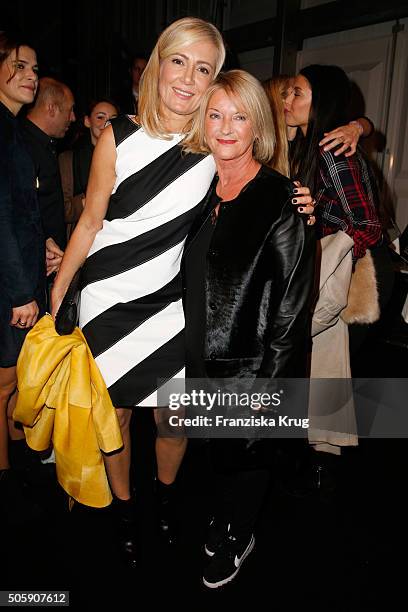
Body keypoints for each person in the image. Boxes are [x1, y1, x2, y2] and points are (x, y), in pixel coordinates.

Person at [50, 17, 314, 566]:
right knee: (115, 417)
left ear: (214, 77)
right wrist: (61, 286)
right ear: (158, 62)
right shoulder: (115, 135)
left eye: (204, 68)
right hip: (108, 298)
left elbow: (262, 153)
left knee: (173, 418)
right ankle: (124, 509)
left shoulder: (208, 141)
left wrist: (300, 197)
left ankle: (166, 498)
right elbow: (91, 220)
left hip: (171, 305)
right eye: (179, 61)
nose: (189, 78)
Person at [181, 69, 316, 588]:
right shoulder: (191, 186)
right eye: (215, 114)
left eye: (239, 116)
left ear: (257, 124)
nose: (226, 127)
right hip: (193, 352)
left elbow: (290, 312)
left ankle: (240, 532)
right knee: (219, 452)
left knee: (248, 454)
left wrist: (271, 393)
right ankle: (228, 514)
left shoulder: (283, 200)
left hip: (251, 365)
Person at [284, 64, 393, 481]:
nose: (288, 100)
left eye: (298, 93)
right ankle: (321, 459)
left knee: (328, 366)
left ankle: (321, 466)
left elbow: (366, 227)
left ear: (321, 103)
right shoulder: (312, 144)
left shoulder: (331, 149)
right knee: (323, 366)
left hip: (361, 275)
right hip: (342, 267)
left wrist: (314, 209)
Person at [0, 32, 46, 519]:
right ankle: (6, 474)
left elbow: (19, 210)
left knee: (13, 380)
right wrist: (20, 291)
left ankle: (19, 458)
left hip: (18, 275)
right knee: (5, 382)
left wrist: (46, 247)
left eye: (35, 68)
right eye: (21, 66)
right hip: (8, 286)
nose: (31, 76)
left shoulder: (11, 127)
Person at [21, 77, 76, 270]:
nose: (73, 118)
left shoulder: (45, 146)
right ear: (51, 108)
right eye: (70, 110)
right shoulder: (21, 146)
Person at [59, 98, 119, 240]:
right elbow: (61, 211)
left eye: (113, 119)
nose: (106, 123)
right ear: (87, 121)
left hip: (114, 240)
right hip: (80, 242)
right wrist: (92, 199)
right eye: (100, 117)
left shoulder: (125, 159)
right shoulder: (69, 159)